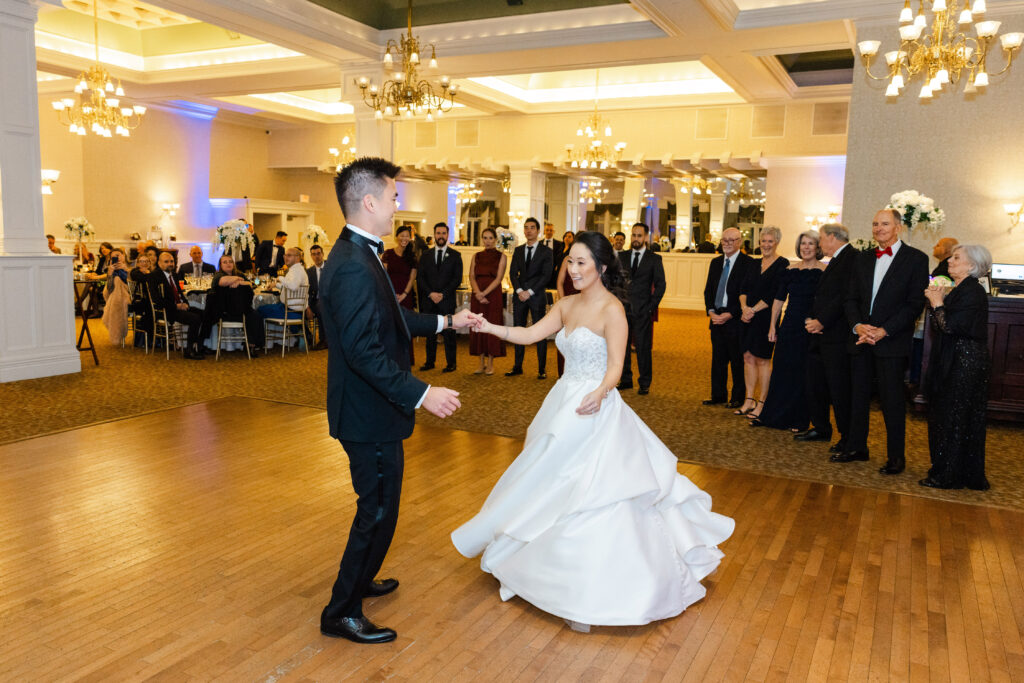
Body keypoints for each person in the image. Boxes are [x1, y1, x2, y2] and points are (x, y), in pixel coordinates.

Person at [452, 231, 734, 631]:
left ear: (601, 267)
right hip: (563, 402)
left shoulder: (612, 309)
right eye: (571, 261)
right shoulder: (564, 304)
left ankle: (596, 583)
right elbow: (530, 335)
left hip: (594, 405)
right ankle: (540, 561)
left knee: (594, 490)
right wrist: (490, 327)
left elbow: (617, 366)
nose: (574, 269)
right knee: (548, 478)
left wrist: (601, 391)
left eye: (582, 262)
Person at [318, 157, 479, 644]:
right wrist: (423, 393)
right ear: (369, 202)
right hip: (366, 415)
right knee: (377, 509)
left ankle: (362, 580)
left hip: (375, 411)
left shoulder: (362, 253)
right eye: (392, 198)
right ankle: (341, 611)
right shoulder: (350, 265)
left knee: (383, 505)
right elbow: (364, 352)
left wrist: (447, 322)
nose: (397, 206)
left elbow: (391, 318)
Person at [834, 208, 929, 474]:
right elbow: (850, 298)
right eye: (875, 224)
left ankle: (896, 457)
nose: (878, 229)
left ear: (898, 227)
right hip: (861, 338)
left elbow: (914, 305)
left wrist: (885, 330)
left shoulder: (916, 259)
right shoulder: (862, 258)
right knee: (857, 396)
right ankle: (856, 447)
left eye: (884, 224)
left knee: (892, 402)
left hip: (891, 341)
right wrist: (858, 326)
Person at [920, 244, 992, 490]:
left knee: (955, 417)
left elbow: (950, 326)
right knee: (949, 415)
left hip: (965, 361)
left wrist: (937, 302)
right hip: (956, 358)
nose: (950, 261)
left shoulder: (973, 291)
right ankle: (950, 470)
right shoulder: (962, 288)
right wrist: (938, 302)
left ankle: (949, 475)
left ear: (971, 266)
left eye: (956, 258)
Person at [751, 231, 826, 430]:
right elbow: (778, 300)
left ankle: (799, 420)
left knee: (803, 374)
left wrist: (820, 321)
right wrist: (772, 326)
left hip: (809, 327)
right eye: (803, 244)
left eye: (810, 244)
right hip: (789, 325)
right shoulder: (790, 270)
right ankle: (773, 416)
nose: (806, 247)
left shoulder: (825, 271)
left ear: (818, 247)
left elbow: (827, 302)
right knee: (782, 370)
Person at [798, 223, 857, 452]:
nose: (820, 243)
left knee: (839, 389)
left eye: (821, 239)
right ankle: (821, 427)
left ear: (833, 238)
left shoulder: (851, 258)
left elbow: (845, 296)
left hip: (836, 334)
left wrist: (822, 321)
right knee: (816, 384)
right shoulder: (835, 259)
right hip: (820, 334)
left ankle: (846, 437)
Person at [736, 227, 789, 419]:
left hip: (767, 318)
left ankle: (762, 403)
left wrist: (752, 310)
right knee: (748, 357)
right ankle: (749, 400)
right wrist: (744, 308)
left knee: (763, 360)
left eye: (770, 241)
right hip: (747, 317)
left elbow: (774, 293)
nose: (765, 245)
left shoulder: (783, 264)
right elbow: (743, 289)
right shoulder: (753, 263)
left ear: (776, 243)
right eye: (763, 241)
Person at [702, 228, 755, 407]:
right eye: (725, 240)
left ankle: (738, 397)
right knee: (718, 359)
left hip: (735, 318)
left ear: (740, 242)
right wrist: (710, 312)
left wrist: (731, 313)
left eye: (732, 240)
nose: (727, 243)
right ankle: (718, 395)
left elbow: (748, 294)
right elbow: (708, 290)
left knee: (736, 360)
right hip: (716, 317)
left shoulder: (748, 264)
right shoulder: (715, 262)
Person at [618, 222, 666, 395]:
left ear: (645, 237)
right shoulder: (622, 257)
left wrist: (651, 307)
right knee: (622, 346)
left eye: (639, 235)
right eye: (633, 235)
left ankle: (644, 382)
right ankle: (625, 379)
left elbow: (661, 285)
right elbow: (614, 281)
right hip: (622, 310)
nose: (636, 239)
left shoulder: (654, 259)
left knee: (643, 347)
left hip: (643, 310)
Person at [506, 217, 553, 379]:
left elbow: (546, 276)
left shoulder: (546, 252)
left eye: (532, 227)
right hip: (519, 296)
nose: (528, 230)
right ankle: (517, 366)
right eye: (526, 228)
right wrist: (519, 290)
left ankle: (541, 369)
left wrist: (530, 291)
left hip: (537, 296)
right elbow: (513, 273)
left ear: (538, 231)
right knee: (518, 331)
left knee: (540, 332)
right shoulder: (518, 250)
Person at [417, 222, 463, 372]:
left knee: (449, 333)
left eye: (443, 233)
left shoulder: (456, 256)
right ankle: (430, 362)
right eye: (438, 233)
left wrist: (442, 294)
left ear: (447, 235)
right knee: (430, 333)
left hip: (446, 301)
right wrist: (431, 293)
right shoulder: (425, 255)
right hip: (429, 301)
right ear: (434, 234)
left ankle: (452, 363)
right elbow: (420, 277)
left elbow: (457, 279)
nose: (441, 236)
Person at [147, 251, 208, 359]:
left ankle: (198, 345)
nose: (170, 264)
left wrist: (185, 303)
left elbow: (180, 293)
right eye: (166, 262)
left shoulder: (174, 275)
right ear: (159, 263)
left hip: (178, 308)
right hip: (167, 310)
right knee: (195, 318)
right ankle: (189, 351)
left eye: (172, 261)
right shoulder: (154, 276)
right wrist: (176, 306)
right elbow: (156, 299)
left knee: (205, 314)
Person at [469, 227, 507, 375]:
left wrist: (484, 293)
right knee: (477, 326)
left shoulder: (501, 256)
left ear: (495, 240)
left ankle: (491, 363)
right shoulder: (476, 256)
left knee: (491, 326)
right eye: (485, 238)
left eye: (491, 238)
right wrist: (478, 293)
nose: (488, 241)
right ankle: (480, 363)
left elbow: (499, 279)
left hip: (492, 295)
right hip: (477, 294)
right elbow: (471, 276)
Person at [255, 247, 309, 348]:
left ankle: (259, 342)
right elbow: (290, 287)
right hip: (290, 309)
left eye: (289, 255)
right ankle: (295, 332)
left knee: (259, 309)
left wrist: (279, 278)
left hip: (290, 312)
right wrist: (276, 285)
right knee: (267, 306)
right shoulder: (295, 270)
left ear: (297, 258)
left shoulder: (296, 271)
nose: (285, 258)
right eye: (285, 255)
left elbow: (292, 286)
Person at [212, 254, 264, 352]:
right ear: (220, 265)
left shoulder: (239, 273)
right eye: (225, 262)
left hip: (242, 308)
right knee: (250, 314)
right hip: (224, 311)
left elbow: (251, 284)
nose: (228, 264)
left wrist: (240, 282)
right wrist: (239, 280)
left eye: (230, 261)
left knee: (256, 315)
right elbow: (223, 281)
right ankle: (250, 344)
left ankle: (251, 344)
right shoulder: (218, 275)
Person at [382, 226, 418, 312]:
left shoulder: (412, 256)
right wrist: (392, 294)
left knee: (407, 322)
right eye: (402, 235)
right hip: (390, 293)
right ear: (396, 237)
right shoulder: (388, 253)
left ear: (410, 238)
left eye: (407, 236)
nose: (404, 238)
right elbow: (383, 275)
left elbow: (411, 279)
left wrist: (404, 295)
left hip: (406, 295)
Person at [307, 244, 327, 350]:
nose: (316, 256)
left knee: (323, 305)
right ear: (311, 256)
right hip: (315, 301)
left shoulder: (330, 267)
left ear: (323, 254)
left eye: (318, 253)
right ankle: (323, 339)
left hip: (331, 299)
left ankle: (326, 339)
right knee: (320, 306)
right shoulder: (309, 272)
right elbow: (307, 292)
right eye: (314, 254)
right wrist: (307, 307)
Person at [541, 222, 564, 289]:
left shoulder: (559, 244)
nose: (549, 232)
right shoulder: (539, 244)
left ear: (554, 231)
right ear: (544, 231)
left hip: (554, 275)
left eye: (551, 230)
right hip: (540, 275)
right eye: (547, 230)